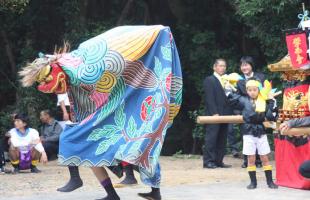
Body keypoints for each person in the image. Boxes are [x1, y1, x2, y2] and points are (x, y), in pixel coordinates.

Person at [226, 79, 278, 189]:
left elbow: (271, 116)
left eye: (254, 90)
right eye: (250, 90)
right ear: (247, 91)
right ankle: (253, 182)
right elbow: (230, 98)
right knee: (251, 158)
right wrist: (227, 87)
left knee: (264, 157)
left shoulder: (264, 100)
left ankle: (270, 182)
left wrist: (272, 100)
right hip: (248, 131)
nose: (252, 92)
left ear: (258, 90)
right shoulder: (243, 100)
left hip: (261, 130)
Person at [203, 58, 232, 169]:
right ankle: (208, 161)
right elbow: (209, 98)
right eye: (220, 66)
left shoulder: (227, 80)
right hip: (214, 114)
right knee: (212, 137)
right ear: (214, 67)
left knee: (222, 137)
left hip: (225, 113)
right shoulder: (209, 80)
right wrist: (214, 112)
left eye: (224, 66)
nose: (222, 68)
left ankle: (219, 161)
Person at [237, 56, 264, 168]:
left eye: (246, 64)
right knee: (246, 135)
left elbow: (264, 92)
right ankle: (246, 160)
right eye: (242, 65)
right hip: (245, 111)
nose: (244, 67)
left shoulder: (261, 77)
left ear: (251, 65)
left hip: (259, 109)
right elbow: (239, 96)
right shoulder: (239, 81)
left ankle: (258, 160)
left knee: (259, 134)